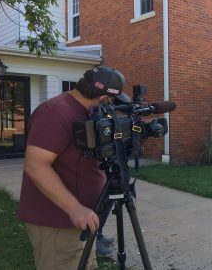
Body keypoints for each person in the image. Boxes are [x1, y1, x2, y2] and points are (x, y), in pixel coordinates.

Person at [17, 66, 129, 269]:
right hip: (58, 224)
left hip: (81, 222)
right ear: (104, 97)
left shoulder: (87, 111)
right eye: (110, 100)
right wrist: (74, 208)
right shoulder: (56, 113)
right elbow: (36, 165)